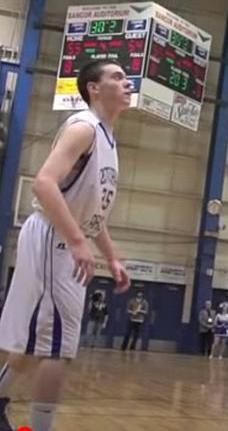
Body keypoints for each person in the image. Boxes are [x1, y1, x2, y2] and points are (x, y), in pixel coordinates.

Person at [0, 59, 132, 431]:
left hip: (67, 240)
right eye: (117, 77)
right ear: (94, 88)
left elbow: (94, 214)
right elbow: (43, 183)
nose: (127, 83)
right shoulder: (83, 128)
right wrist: (76, 241)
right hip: (52, 237)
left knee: (34, 343)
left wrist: (111, 256)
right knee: (56, 346)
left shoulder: (108, 137)